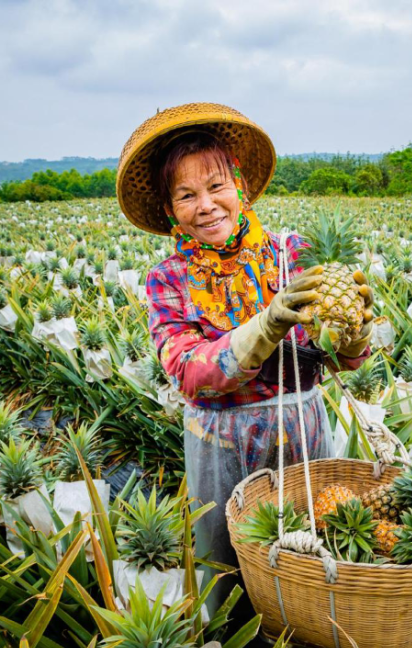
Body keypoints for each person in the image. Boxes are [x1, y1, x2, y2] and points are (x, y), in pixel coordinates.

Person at [115, 103, 373, 604]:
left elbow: (343, 361)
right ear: (170, 210)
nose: (205, 205)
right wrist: (267, 324)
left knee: (311, 564)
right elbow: (188, 373)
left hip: (302, 431)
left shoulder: (291, 253)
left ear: (241, 188)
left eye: (216, 187)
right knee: (227, 573)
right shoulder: (167, 279)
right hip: (219, 446)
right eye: (186, 195)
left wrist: (354, 333)